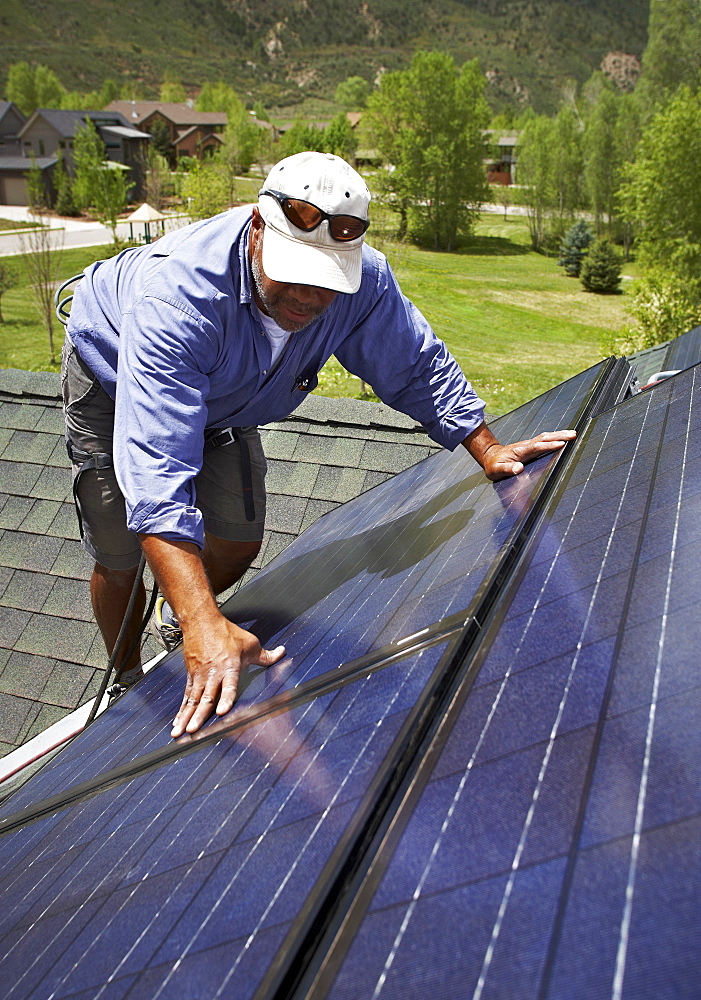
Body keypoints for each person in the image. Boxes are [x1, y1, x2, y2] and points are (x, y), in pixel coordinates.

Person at [63, 151, 575, 739]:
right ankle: (132, 679)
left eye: (327, 281)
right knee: (122, 548)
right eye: (295, 272)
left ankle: (180, 608)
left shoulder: (366, 283)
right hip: (113, 374)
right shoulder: (179, 301)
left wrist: (486, 448)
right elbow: (156, 471)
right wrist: (202, 617)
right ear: (257, 229)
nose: (309, 297)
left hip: (229, 391)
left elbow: (413, 363)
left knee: (236, 539)